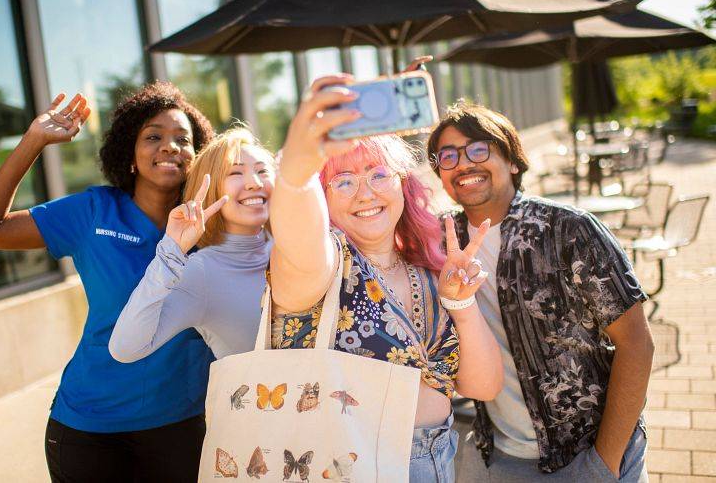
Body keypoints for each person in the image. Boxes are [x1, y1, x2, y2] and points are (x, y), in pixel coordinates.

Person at [0, 82, 216, 482]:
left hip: (181, 424)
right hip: (90, 428)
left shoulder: (215, 226)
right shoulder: (93, 212)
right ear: (129, 156)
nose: (170, 147)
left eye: (183, 140)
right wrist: (34, 141)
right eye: (153, 137)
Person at [268, 75, 504, 483]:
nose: (365, 193)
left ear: (402, 184)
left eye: (378, 174)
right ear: (321, 200)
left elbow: (483, 387)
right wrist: (296, 173)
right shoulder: (324, 264)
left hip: (437, 460)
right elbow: (298, 233)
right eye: (342, 181)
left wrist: (461, 304)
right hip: (348, 467)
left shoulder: (428, 269)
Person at [427, 102, 654, 482]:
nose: (464, 163)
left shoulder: (570, 230)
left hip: (587, 452)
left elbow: (637, 344)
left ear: (513, 161)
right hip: (498, 455)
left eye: (479, 149)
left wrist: (604, 463)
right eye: (448, 156)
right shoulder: (440, 243)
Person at [109, 127, 274, 363]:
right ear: (210, 191)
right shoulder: (202, 273)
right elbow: (126, 348)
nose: (254, 183)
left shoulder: (295, 246)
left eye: (262, 171)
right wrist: (171, 251)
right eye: (236, 173)